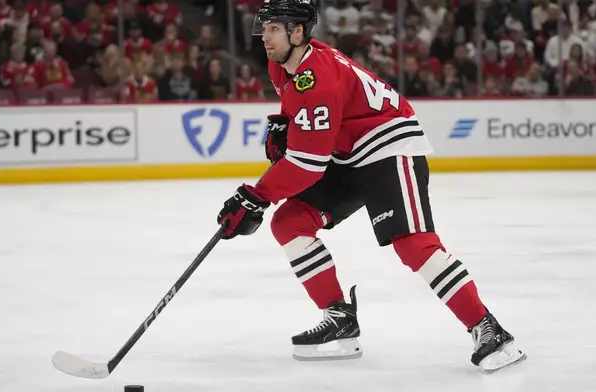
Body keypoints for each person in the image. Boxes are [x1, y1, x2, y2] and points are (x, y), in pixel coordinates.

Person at [215, 0, 526, 372]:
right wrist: (285, 124)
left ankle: (488, 328)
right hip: (348, 153)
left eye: (274, 29)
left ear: (297, 33)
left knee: (413, 245)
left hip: (388, 146)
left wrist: (255, 195)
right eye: (263, 28)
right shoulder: (281, 65)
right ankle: (340, 319)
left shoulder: (319, 76)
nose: (264, 37)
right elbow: (301, 120)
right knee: (290, 223)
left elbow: (309, 164)